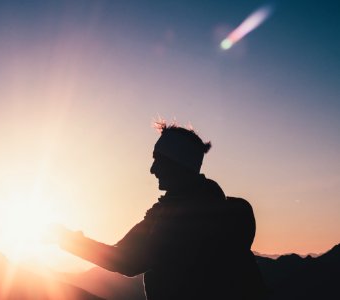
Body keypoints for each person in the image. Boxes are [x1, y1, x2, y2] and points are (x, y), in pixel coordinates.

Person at [54, 122, 265, 299]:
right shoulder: (220, 210)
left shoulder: (177, 220)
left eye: (159, 160)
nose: (153, 169)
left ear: (178, 165)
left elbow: (125, 261)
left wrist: (66, 240)